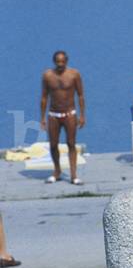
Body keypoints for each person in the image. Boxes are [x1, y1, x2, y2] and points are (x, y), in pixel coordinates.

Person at [40, 50, 86, 185]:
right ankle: (57, 171)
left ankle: (73, 175)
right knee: (53, 144)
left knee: (71, 143)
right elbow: (44, 97)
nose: (60, 64)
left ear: (66, 61)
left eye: (62, 61)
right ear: (54, 61)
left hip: (69, 114)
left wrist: (82, 115)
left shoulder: (74, 74)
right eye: (57, 61)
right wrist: (42, 118)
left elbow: (80, 95)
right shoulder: (47, 75)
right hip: (53, 115)